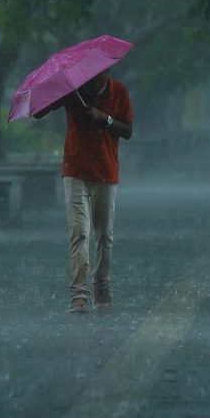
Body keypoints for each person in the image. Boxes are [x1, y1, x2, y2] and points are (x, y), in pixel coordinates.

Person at [35, 70, 133, 313]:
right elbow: (39, 112)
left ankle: (102, 284)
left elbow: (128, 130)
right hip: (75, 169)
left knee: (104, 234)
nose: (95, 80)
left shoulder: (119, 91)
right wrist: (54, 90)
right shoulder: (74, 91)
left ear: (108, 71)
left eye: (100, 76)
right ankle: (78, 293)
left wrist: (106, 119)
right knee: (79, 232)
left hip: (106, 170)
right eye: (91, 76)